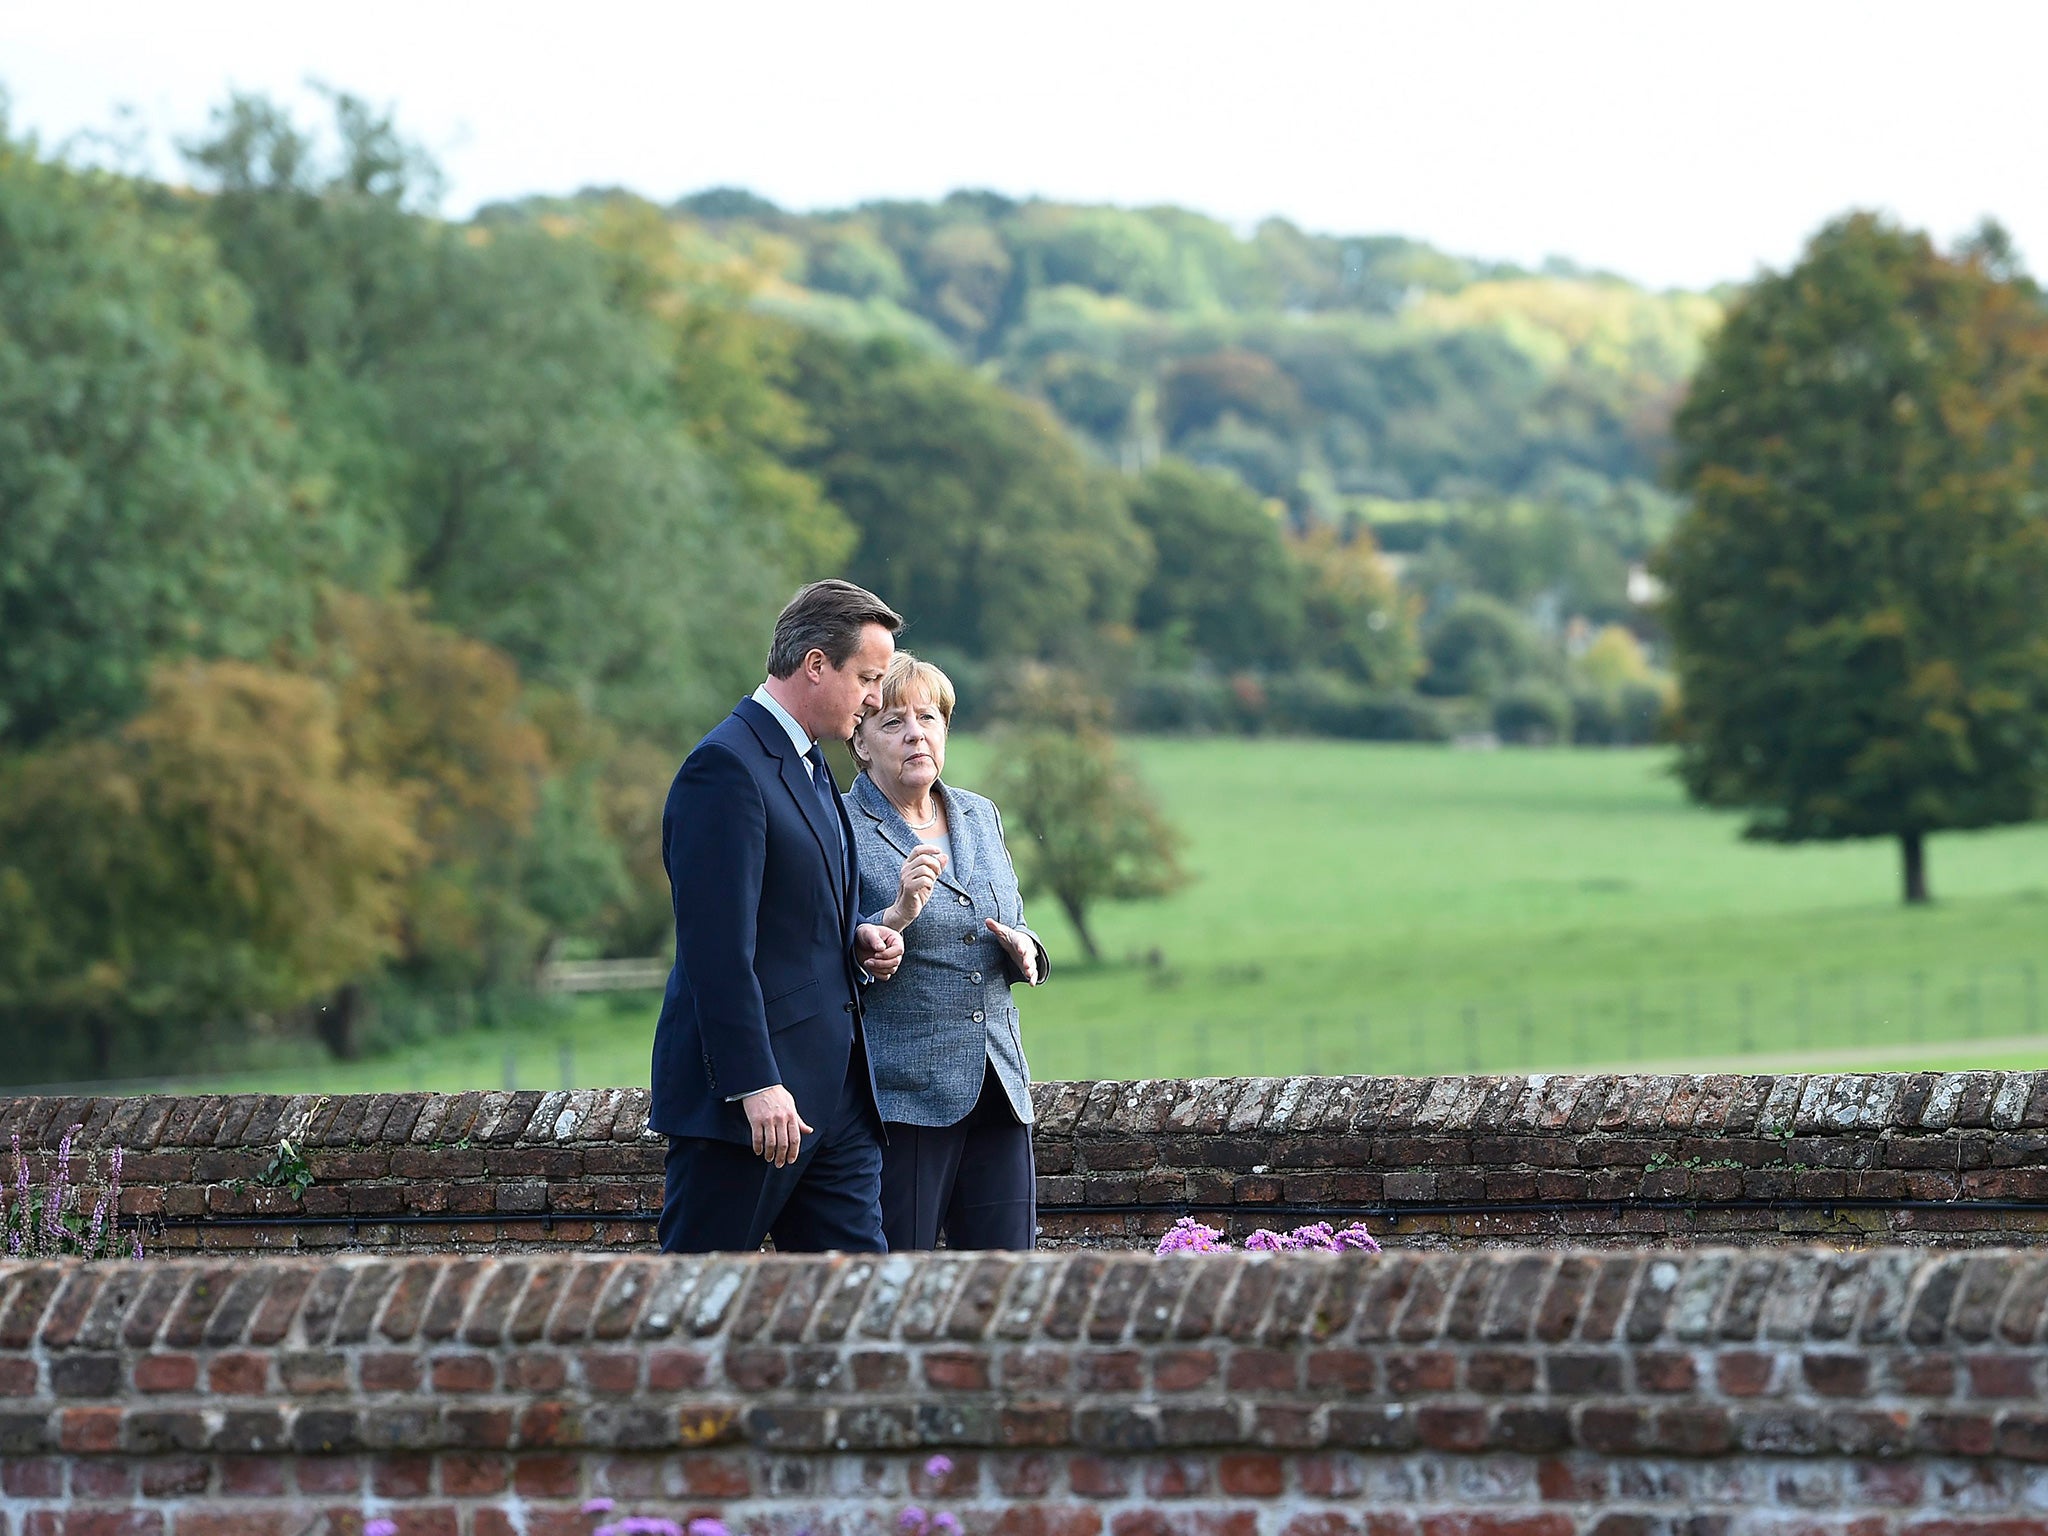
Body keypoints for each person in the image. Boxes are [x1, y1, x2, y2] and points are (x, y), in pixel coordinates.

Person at [650, 580, 908, 1254]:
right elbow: (715, 950)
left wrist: (856, 936)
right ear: (816, 664)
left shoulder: (809, 762)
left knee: (857, 1310)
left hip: (838, 1099)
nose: (876, 698)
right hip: (753, 1110)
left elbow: (796, 910)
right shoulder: (725, 769)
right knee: (694, 1309)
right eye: (869, 678)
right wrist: (754, 1082)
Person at [845, 652, 1049, 1251]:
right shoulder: (839, 824)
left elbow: (1012, 922)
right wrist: (894, 917)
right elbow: (824, 951)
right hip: (904, 1098)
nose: (916, 733)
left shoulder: (980, 816)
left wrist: (1026, 948)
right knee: (897, 1285)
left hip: (1000, 1088)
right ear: (859, 741)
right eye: (893, 721)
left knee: (1004, 1286)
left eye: (930, 718)